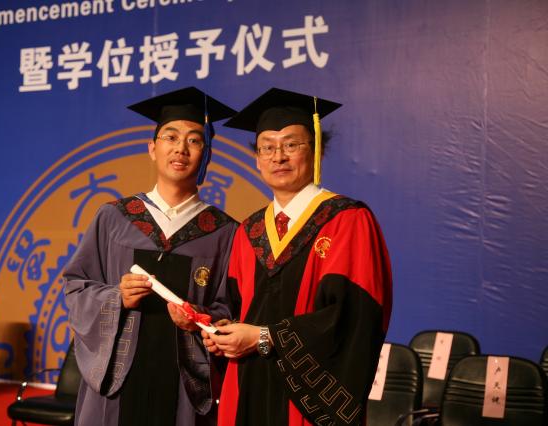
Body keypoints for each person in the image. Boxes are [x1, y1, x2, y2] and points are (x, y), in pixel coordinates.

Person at [202, 88, 393, 426]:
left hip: (308, 401)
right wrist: (222, 333)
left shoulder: (346, 220)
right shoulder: (248, 232)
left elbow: (354, 318)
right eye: (267, 147)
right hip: (247, 386)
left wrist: (265, 337)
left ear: (316, 150)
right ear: (257, 159)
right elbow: (237, 309)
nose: (278, 157)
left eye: (291, 145)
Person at [63, 87, 238, 426]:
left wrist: (199, 317)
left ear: (206, 153)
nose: (180, 148)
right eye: (170, 137)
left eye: (194, 140)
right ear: (152, 148)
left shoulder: (223, 231)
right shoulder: (114, 217)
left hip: (182, 386)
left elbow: (231, 309)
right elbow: (76, 287)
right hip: (119, 382)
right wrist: (117, 297)